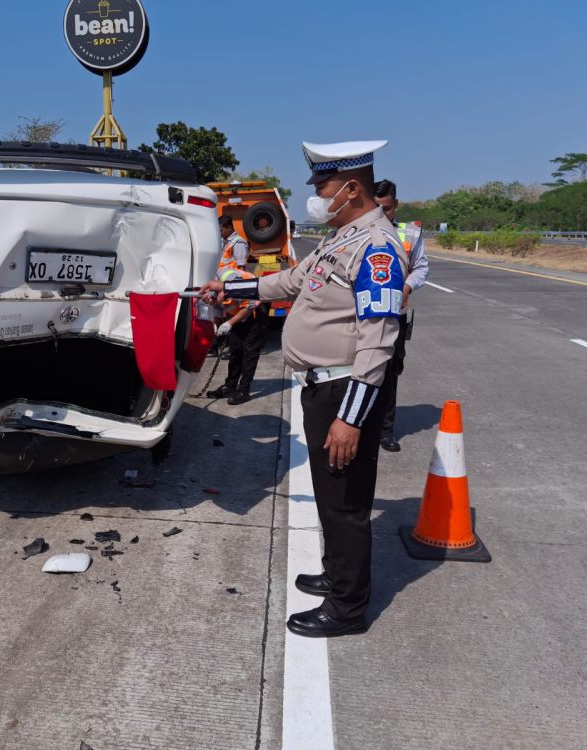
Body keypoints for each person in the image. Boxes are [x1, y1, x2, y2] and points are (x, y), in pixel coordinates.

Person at [200, 140, 407, 637]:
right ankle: (338, 575)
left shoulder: (376, 249)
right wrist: (232, 287)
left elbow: (379, 343)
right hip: (321, 389)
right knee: (330, 498)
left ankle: (347, 608)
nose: (315, 194)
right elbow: (292, 282)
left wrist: (351, 419)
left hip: (342, 393)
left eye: (323, 186)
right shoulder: (344, 237)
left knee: (345, 505)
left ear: (351, 188)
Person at [373, 179, 429, 452]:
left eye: (388, 209)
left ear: (396, 205)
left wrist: (408, 286)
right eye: (377, 208)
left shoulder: (410, 235)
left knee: (390, 373)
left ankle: (385, 431)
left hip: (396, 315)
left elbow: (421, 268)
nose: (383, 215)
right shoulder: (357, 233)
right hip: (363, 316)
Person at [206, 267, 268, 405]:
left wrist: (229, 323)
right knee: (235, 351)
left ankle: (243, 390)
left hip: (255, 313)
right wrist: (217, 326)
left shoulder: (233, 280)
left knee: (249, 352)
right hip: (238, 314)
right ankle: (230, 386)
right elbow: (217, 306)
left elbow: (250, 304)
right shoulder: (210, 282)